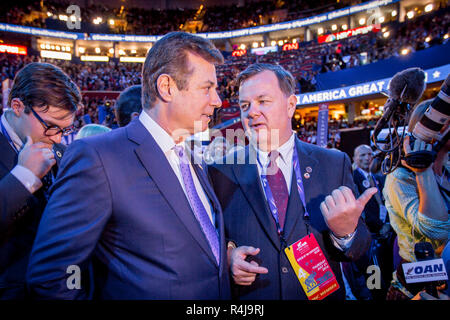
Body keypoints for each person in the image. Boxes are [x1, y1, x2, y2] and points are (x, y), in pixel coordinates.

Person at [26, 32, 231, 299]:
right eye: (207, 88)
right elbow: (51, 275)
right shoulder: (98, 158)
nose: (217, 100)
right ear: (167, 87)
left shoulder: (192, 158)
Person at [209, 63, 375, 300]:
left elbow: (360, 247)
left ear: (290, 106)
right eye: (244, 105)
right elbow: (208, 237)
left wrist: (346, 233)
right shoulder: (219, 170)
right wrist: (228, 257)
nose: (251, 112)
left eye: (263, 101)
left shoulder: (334, 163)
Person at [0, 62, 81, 299]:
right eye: (51, 126)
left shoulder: (61, 151)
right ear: (17, 106)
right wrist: (24, 177)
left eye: (64, 129)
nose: (57, 138)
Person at [383, 99, 450, 300]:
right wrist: (423, 171)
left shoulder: (447, 172)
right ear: (435, 129)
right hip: (416, 287)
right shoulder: (400, 177)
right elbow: (436, 230)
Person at [343, 144, 395, 300]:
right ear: (354, 158)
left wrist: (386, 223)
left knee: (384, 268)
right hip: (368, 234)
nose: (367, 158)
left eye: (369, 154)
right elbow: (362, 209)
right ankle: (377, 296)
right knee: (373, 270)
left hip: (382, 233)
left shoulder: (375, 178)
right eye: (362, 155)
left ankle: (384, 293)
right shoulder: (352, 178)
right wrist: (379, 226)